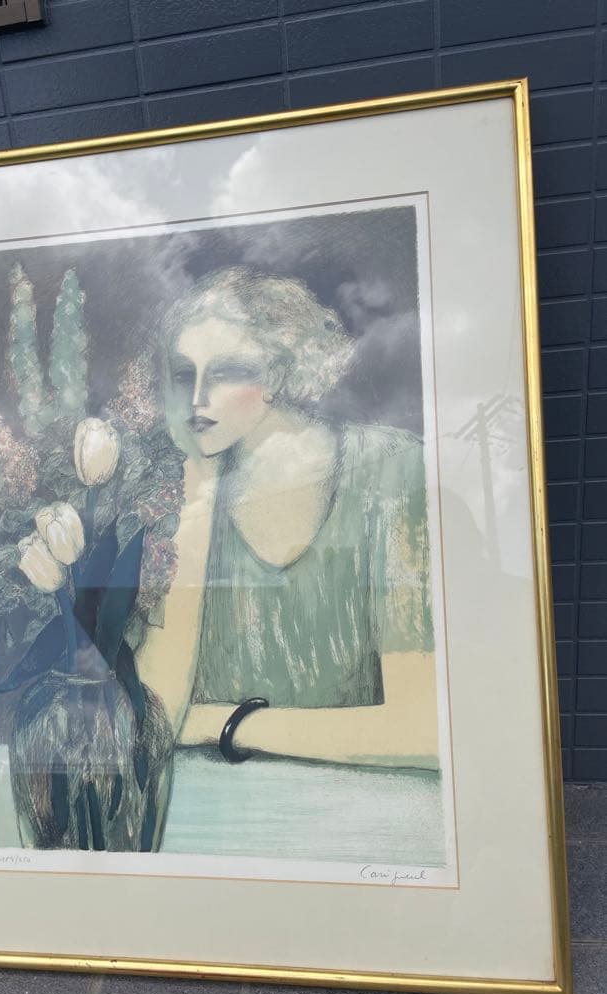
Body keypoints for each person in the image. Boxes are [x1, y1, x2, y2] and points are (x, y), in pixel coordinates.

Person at [135, 266, 439, 781]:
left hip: (368, 808)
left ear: (277, 375)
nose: (197, 398)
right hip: (213, 809)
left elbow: (424, 727)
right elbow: (157, 719)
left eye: (227, 372)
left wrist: (224, 724)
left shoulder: (391, 468)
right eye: (185, 374)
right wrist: (196, 498)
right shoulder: (177, 492)